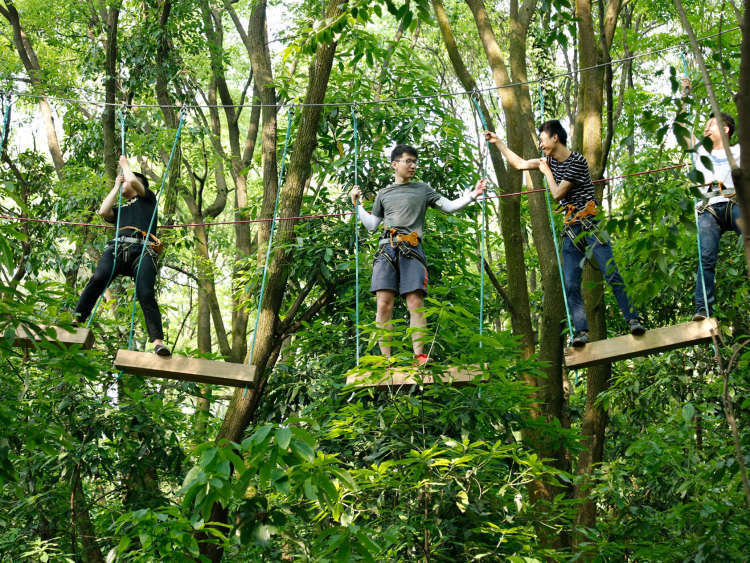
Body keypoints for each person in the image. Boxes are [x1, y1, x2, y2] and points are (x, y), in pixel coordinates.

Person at [485, 121, 645, 347]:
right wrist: (498, 142)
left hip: (591, 224)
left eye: (542, 140)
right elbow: (519, 164)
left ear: (555, 138)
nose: (541, 145)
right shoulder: (548, 160)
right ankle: (581, 332)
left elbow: (558, 193)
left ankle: (633, 319)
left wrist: (546, 172)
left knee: (611, 272)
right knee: (570, 283)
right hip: (571, 229)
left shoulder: (577, 161)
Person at [350, 144, 486, 365]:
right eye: (408, 161)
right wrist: (357, 205)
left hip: (411, 249)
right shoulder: (384, 194)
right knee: (383, 304)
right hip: (386, 249)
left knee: (415, 302)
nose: (413, 166)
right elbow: (372, 225)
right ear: (395, 164)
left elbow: (449, 206)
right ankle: (386, 359)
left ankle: (419, 356)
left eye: (414, 162)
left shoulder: (423, 189)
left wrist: (473, 195)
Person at [74, 155, 170, 356]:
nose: (125, 181)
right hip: (117, 249)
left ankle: (158, 342)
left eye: (126, 180)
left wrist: (126, 165)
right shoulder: (120, 210)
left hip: (143, 249)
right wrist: (117, 186)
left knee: (145, 292)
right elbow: (103, 211)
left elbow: (134, 181)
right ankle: (77, 319)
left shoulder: (148, 199)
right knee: (99, 277)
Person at [678, 79, 742, 320]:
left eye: (710, 125)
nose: (705, 130)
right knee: (706, 259)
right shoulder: (700, 150)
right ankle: (703, 309)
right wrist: (685, 95)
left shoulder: (738, 151)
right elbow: (682, 127)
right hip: (709, 209)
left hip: (734, 204)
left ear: (725, 129)